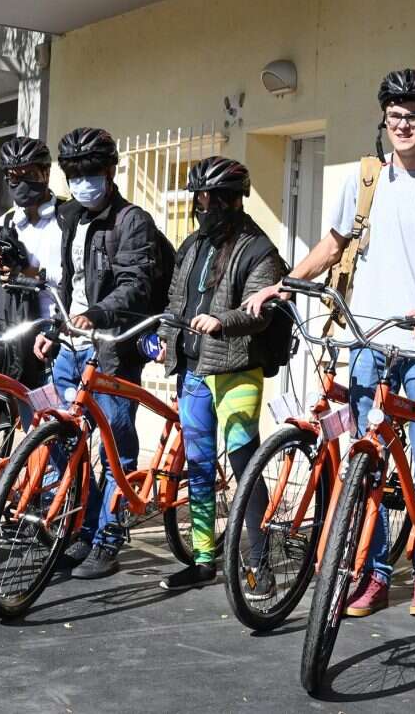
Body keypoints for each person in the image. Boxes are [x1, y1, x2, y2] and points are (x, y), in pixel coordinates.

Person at [246, 68, 415, 617]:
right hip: (367, 342)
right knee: (370, 461)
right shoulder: (366, 181)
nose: (403, 125)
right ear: (384, 120)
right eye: (395, 115)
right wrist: (283, 284)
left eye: (414, 116)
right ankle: (374, 572)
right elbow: (332, 245)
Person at [32, 127, 160, 580]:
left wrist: (98, 313)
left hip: (113, 351)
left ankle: (108, 539)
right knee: (67, 442)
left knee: (114, 449)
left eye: (90, 172)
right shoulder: (72, 217)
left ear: (109, 171)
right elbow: (70, 283)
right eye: (74, 175)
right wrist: (55, 328)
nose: (83, 182)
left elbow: (136, 283)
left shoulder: (132, 221)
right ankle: (82, 530)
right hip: (71, 348)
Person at [155, 156, 285, 591]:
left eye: (211, 199)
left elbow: (261, 311)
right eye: (199, 199)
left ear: (233, 200)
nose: (203, 207)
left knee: (245, 464)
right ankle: (203, 559)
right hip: (192, 371)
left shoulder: (259, 250)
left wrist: (222, 321)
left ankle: (261, 564)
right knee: (198, 466)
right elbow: (176, 300)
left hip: (237, 370)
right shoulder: (193, 245)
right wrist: (164, 338)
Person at [0, 137, 63, 416]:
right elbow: (0, 280)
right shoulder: (7, 220)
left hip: (53, 336)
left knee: (53, 423)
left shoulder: (66, 219)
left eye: (28, 175)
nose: (20, 183)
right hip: (17, 336)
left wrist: (32, 273)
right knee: (29, 423)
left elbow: (75, 277)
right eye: (13, 177)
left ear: (45, 173)